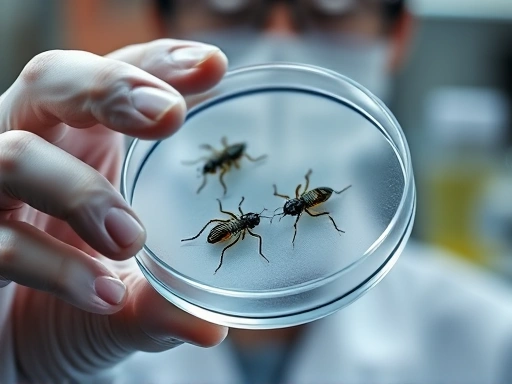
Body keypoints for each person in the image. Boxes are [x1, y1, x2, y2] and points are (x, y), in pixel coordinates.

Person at [1, 1, 512, 383]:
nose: (279, 40)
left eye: (332, 10)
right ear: (166, 27)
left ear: (398, 36)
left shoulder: (486, 338)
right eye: (230, 7)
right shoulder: (88, 276)